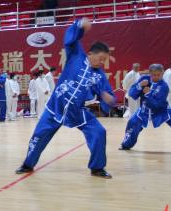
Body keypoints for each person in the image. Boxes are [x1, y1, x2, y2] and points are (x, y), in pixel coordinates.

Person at [15, 18, 116, 179]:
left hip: (78, 112)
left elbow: (110, 97)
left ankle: (97, 168)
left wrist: (108, 98)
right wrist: (79, 25)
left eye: (105, 60)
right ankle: (27, 164)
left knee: (99, 132)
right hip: (56, 106)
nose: (102, 62)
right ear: (90, 54)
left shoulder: (99, 76)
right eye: (101, 58)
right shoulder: (77, 55)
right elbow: (70, 38)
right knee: (39, 135)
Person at [119, 64, 171, 152]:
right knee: (132, 122)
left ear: (162, 73)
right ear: (150, 73)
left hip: (162, 110)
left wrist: (148, 94)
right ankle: (126, 145)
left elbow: (156, 105)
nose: (156, 77)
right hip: (144, 110)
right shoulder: (144, 79)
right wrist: (139, 85)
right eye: (154, 75)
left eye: (159, 75)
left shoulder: (164, 86)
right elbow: (132, 94)